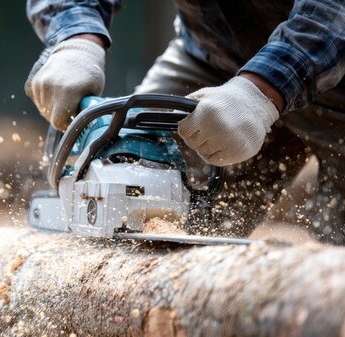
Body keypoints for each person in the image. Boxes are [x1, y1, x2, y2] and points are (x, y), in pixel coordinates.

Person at [25, 1, 345, 244]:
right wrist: (74, 37)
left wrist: (263, 90)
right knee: (147, 172)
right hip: (213, 57)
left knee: (331, 268)